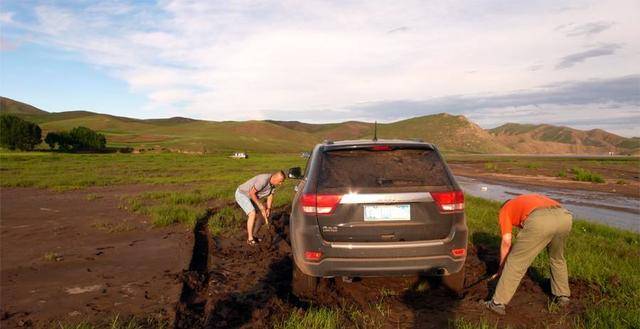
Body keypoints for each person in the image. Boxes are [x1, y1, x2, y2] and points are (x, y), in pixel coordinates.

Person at [482, 194, 573, 315]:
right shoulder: (524, 201)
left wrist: (501, 268)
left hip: (540, 220)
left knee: (515, 261)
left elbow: (506, 242)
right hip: (564, 217)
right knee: (557, 258)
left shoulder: (505, 209)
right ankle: (563, 296)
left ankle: (497, 303)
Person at [235, 171, 286, 245]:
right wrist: (260, 205)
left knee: (262, 214)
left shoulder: (273, 185)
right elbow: (252, 193)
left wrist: (268, 208)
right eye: (280, 181)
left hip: (251, 197)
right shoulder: (263, 180)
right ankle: (250, 239)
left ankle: (255, 234)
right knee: (252, 213)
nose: (280, 184)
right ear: (275, 178)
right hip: (242, 194)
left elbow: (270, 196)